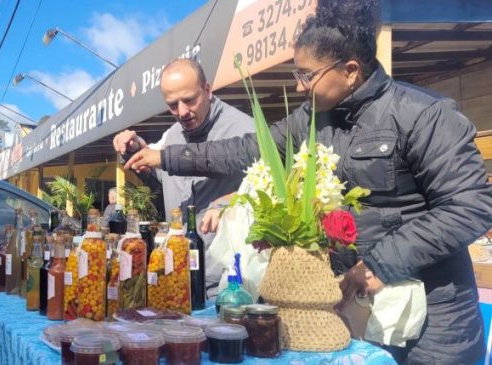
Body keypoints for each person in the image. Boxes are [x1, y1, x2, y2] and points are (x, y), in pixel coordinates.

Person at [124, 1, 492, 363]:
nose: (299, 87)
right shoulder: (312, 119)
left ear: (350, 70)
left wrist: (382, 263)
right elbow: (249, 149)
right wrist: (166, 157)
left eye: (307, 75)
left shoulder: (425, 115)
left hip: (432, 326)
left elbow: (470, 207)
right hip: (357, 312)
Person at [113, 58, 255, 296]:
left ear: (207, 90)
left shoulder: (244, 131)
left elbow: (263, 192)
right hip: (178, 280)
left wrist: (230, 201)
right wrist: (134, 150)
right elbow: (163, 180)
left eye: (189, 100)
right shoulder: (172, 135)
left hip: (227, 287)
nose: (182, 112)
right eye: (172, 105)